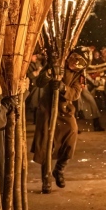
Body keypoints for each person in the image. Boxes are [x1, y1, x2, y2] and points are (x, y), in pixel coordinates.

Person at [32, 46, 90, 193]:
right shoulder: (56, 64)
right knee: (46, 143)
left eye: (79, 62)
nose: (75, 63)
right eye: (74, 58)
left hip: (64, 110)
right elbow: (39, 82)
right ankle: (46, 179)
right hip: (48, 109)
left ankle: (59, 170)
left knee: (71, 134)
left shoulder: (79, 74)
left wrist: (63, 88)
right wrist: (50, 73)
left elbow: (76, 93)